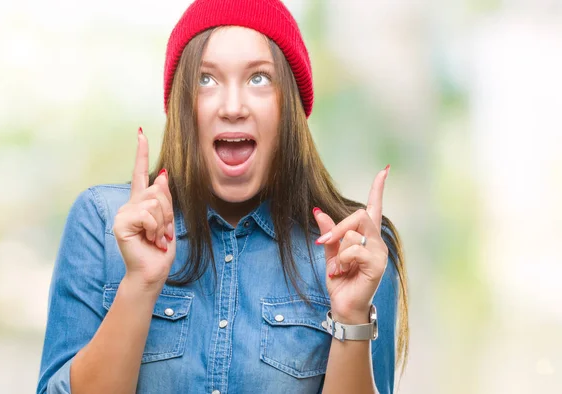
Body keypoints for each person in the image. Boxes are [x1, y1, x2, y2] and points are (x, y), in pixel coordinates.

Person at [37, 0, 409, 393]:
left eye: (259, 79)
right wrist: (139, 286)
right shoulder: (102, 224)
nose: (233, 108)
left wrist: (351, 316)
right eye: (206, 79)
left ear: (291, 108)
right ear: (181, 105)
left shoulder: (355, 250)